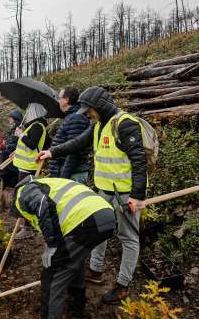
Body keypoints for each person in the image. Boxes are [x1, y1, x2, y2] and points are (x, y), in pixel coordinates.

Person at [37, 86, 148, 305]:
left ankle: (123, 285)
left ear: (101, 107)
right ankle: (96, 271)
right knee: (98, 232)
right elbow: (78, 143)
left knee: (128, 238)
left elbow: (139, 161)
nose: (88, 114)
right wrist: (52, 152)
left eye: (90, 110)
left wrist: (137, 195)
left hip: (125, 196)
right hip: (103, 191)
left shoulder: (125, 124)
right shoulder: (98, 126)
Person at [10, 176, 115, 319]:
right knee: (73, 260)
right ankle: (77, 308)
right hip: (105, 217)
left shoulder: (22, 194)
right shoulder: (48, 183)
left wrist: (52, 245)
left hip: (85, 221)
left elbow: (43, 204)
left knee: (52, 280)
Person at [12, 102, 51, 239]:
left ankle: (27, 227)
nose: (26, 114)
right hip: (25, 166)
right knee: (24, 195)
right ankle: (27, 225)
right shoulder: (34, 126)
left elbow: (32, 145)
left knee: (26, 197)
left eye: (29, 111)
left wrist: (21, 135)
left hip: (29, 168)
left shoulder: (37, 127)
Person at [49, 87, 90, 184]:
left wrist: (63, 178)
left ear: (66, 100)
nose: (58, 101)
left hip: (72, 175)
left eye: (59, 98)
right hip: (69, 173)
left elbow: (74, 151)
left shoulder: (76, 118)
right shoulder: (71, 117)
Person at [0, 109, 23, 211]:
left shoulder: (20, 129)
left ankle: (10, 205)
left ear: (15, 119)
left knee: (12, 182)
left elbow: (19, 145)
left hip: (13, 162)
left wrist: (7, 146)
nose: (8, 119)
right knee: (4, 180)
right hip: (6, 160)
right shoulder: (12, 129)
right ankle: (2, 203)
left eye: (10, 118)